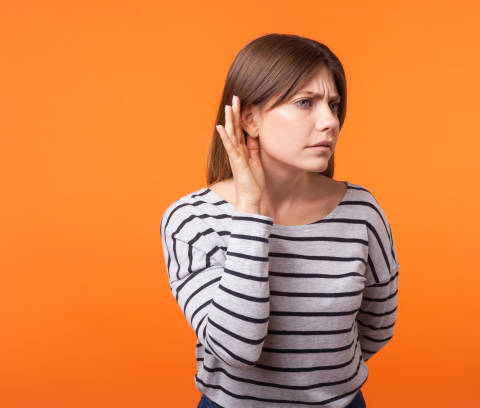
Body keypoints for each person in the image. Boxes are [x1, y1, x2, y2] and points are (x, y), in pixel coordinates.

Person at [160, 33, 399, 408]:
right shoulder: (192, 220)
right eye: (305, 102)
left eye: (334, 106)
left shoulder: (362, 212)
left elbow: (378, 328)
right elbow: (236, 349)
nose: (329, 122)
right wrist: (251, 210)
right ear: (250, 118)